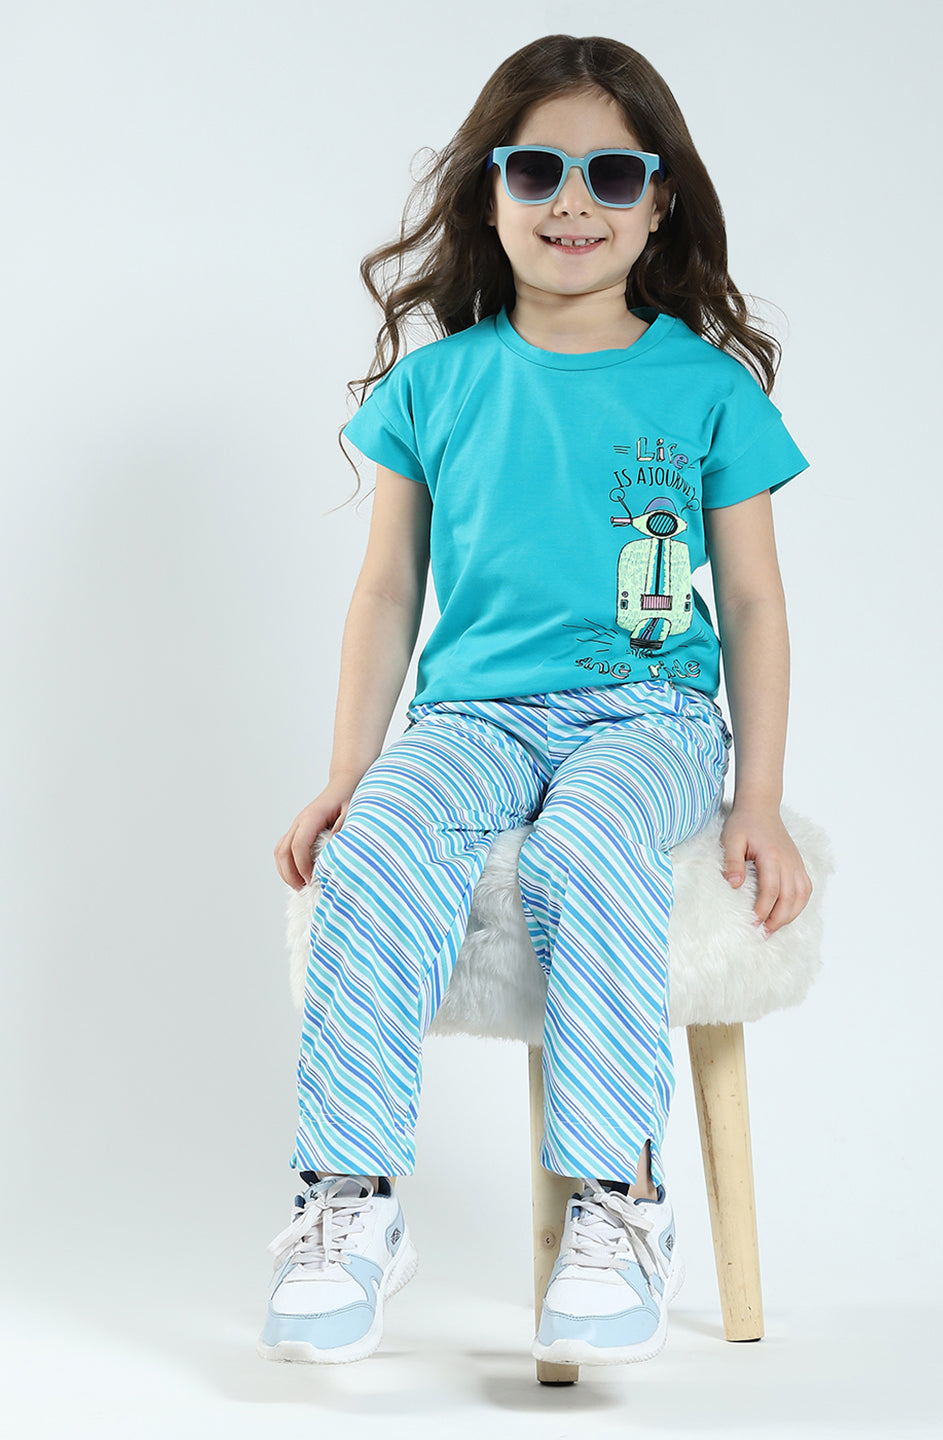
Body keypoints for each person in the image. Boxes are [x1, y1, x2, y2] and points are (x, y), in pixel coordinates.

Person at [257, 33, 814, 1373]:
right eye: (539, 170)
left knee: (587, 847)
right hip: (474, 720)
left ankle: (619, 1200)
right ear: (490, 188)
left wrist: (757, 798)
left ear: (658, 201)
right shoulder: (437, 385)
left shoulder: (702, 388)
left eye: (613, 174)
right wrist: (350, 772)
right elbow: (387, 592)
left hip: (650, 716)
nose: (574, 202)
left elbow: (751, 604)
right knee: (380, 845)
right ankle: (350, 1200)